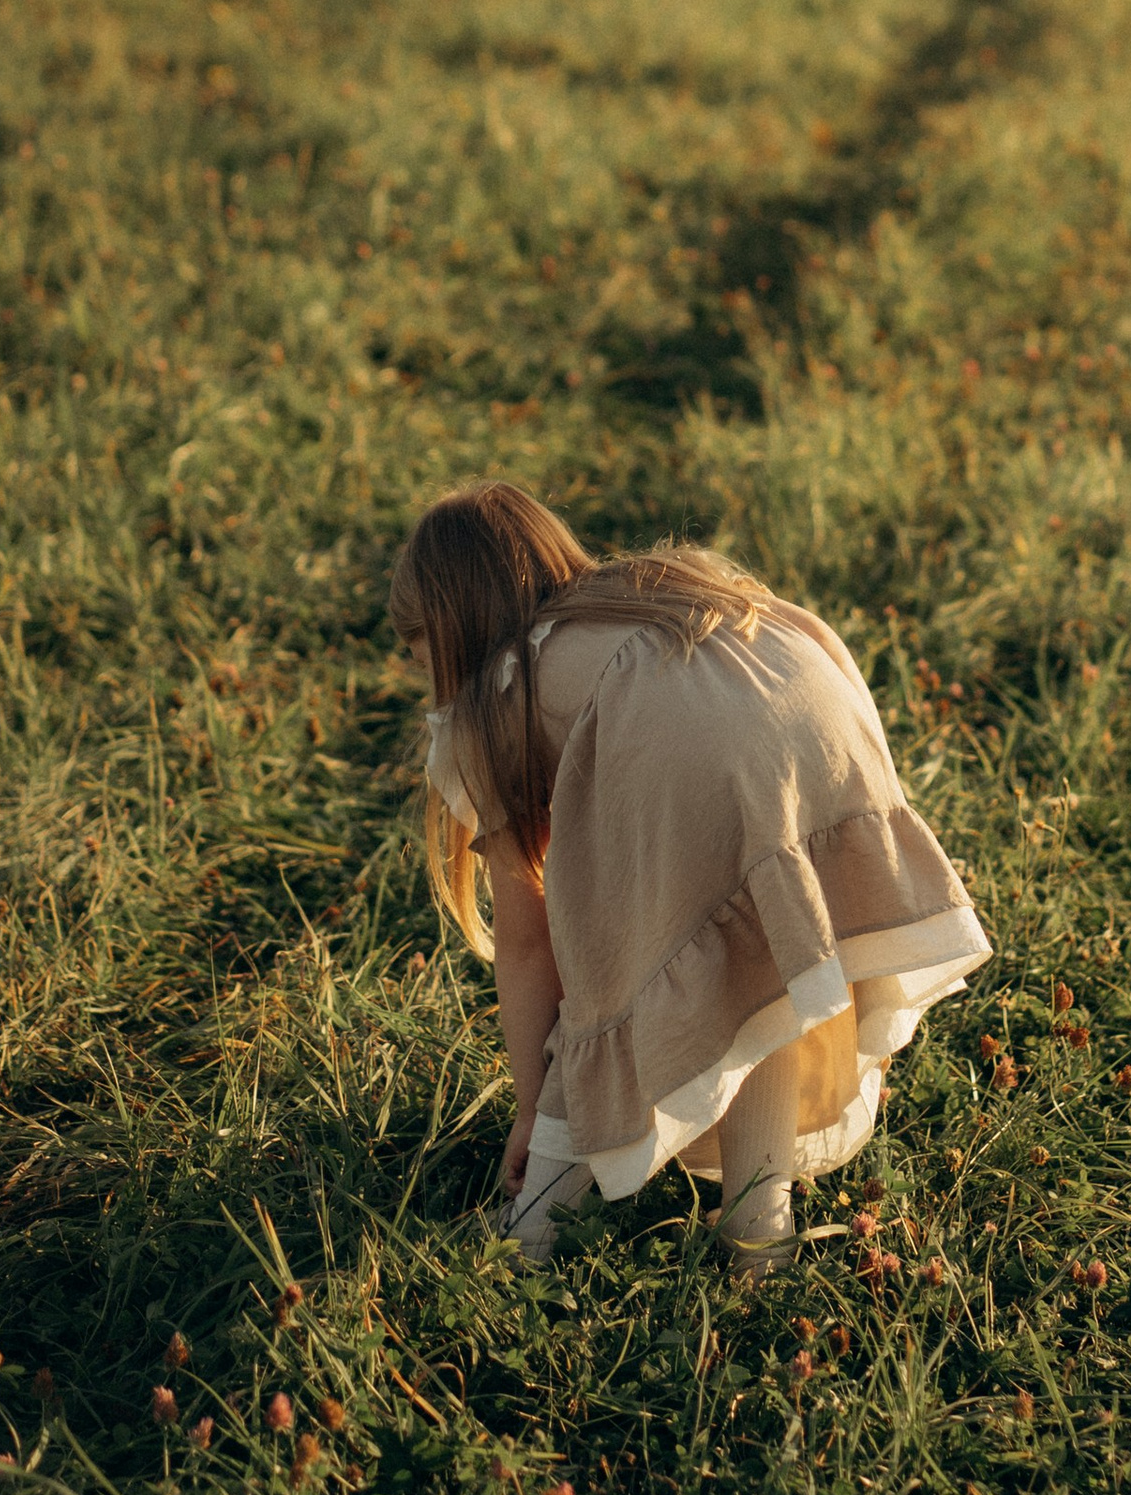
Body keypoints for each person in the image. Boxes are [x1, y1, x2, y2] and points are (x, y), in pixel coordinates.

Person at [390, 482, 991, 1273]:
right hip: (820, 729)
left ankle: (527, 1240)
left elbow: (531, 945)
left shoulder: (501, 692)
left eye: (417, 657)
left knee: (602, 993)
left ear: (446, 632)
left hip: (711, 770)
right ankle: (758, 1234)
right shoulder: (649, 592)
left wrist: (532, 1110)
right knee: (776, 962)